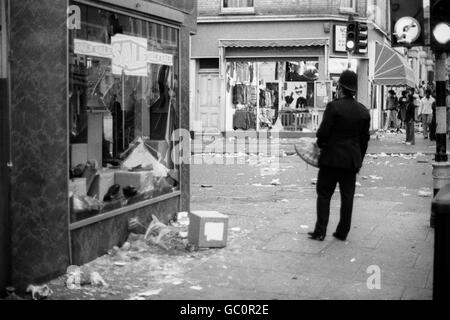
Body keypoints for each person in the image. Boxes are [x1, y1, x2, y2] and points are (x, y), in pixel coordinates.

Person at [307, 70, 371, 241]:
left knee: (324, 194)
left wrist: (320, 146)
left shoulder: (333, 107)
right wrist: (358, 160)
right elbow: (365, 140)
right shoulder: (363, 111)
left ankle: (320, 231)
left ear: (340, 88)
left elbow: (323, 134)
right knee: (347, 197)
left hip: (331, 160)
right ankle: (343, 232)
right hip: (351, 162)